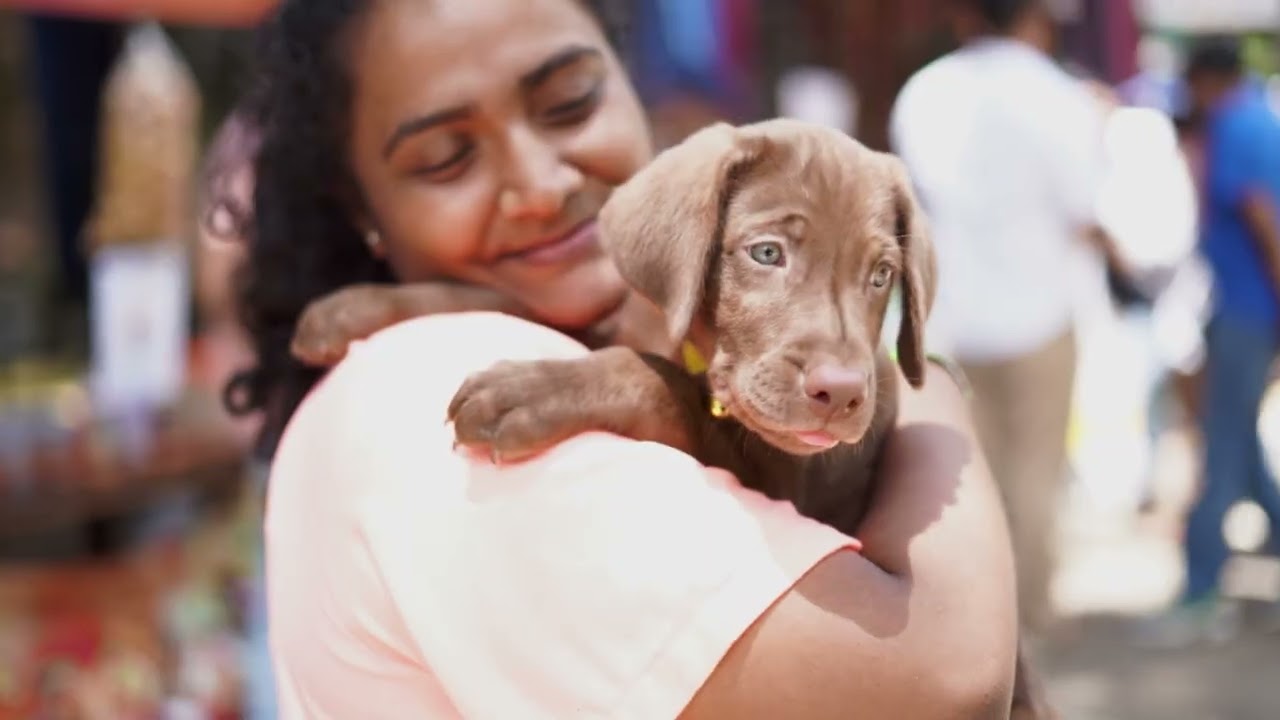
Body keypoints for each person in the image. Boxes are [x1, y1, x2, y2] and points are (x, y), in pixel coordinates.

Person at [224, 0, 1019, 716]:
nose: (540, 184)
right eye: (445, 157)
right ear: (359, 205)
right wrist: (935, 407)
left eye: (570, 102)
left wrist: (914, 377)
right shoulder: (432, 426)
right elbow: (940, 681)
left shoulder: (535, 331)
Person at [889, 0, 1113, 631]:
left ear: (968, 19)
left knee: (968, 487)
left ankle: (983, 627)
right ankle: (1031, 624)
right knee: (1036, 478)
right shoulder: (1059, 97)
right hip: (1040, 315)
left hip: (953, 320)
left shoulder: (924, 92)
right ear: (1037, 20)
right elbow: (1086, 210)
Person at [1138, 38, 1280, 647]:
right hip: (1245, 307)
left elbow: (1260, 215)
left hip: (1248, 311)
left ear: (1205, 79)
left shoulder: (1238, 125)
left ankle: (1201, 589)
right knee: (1239, 440)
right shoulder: (1254, 119)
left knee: (1218, 448)